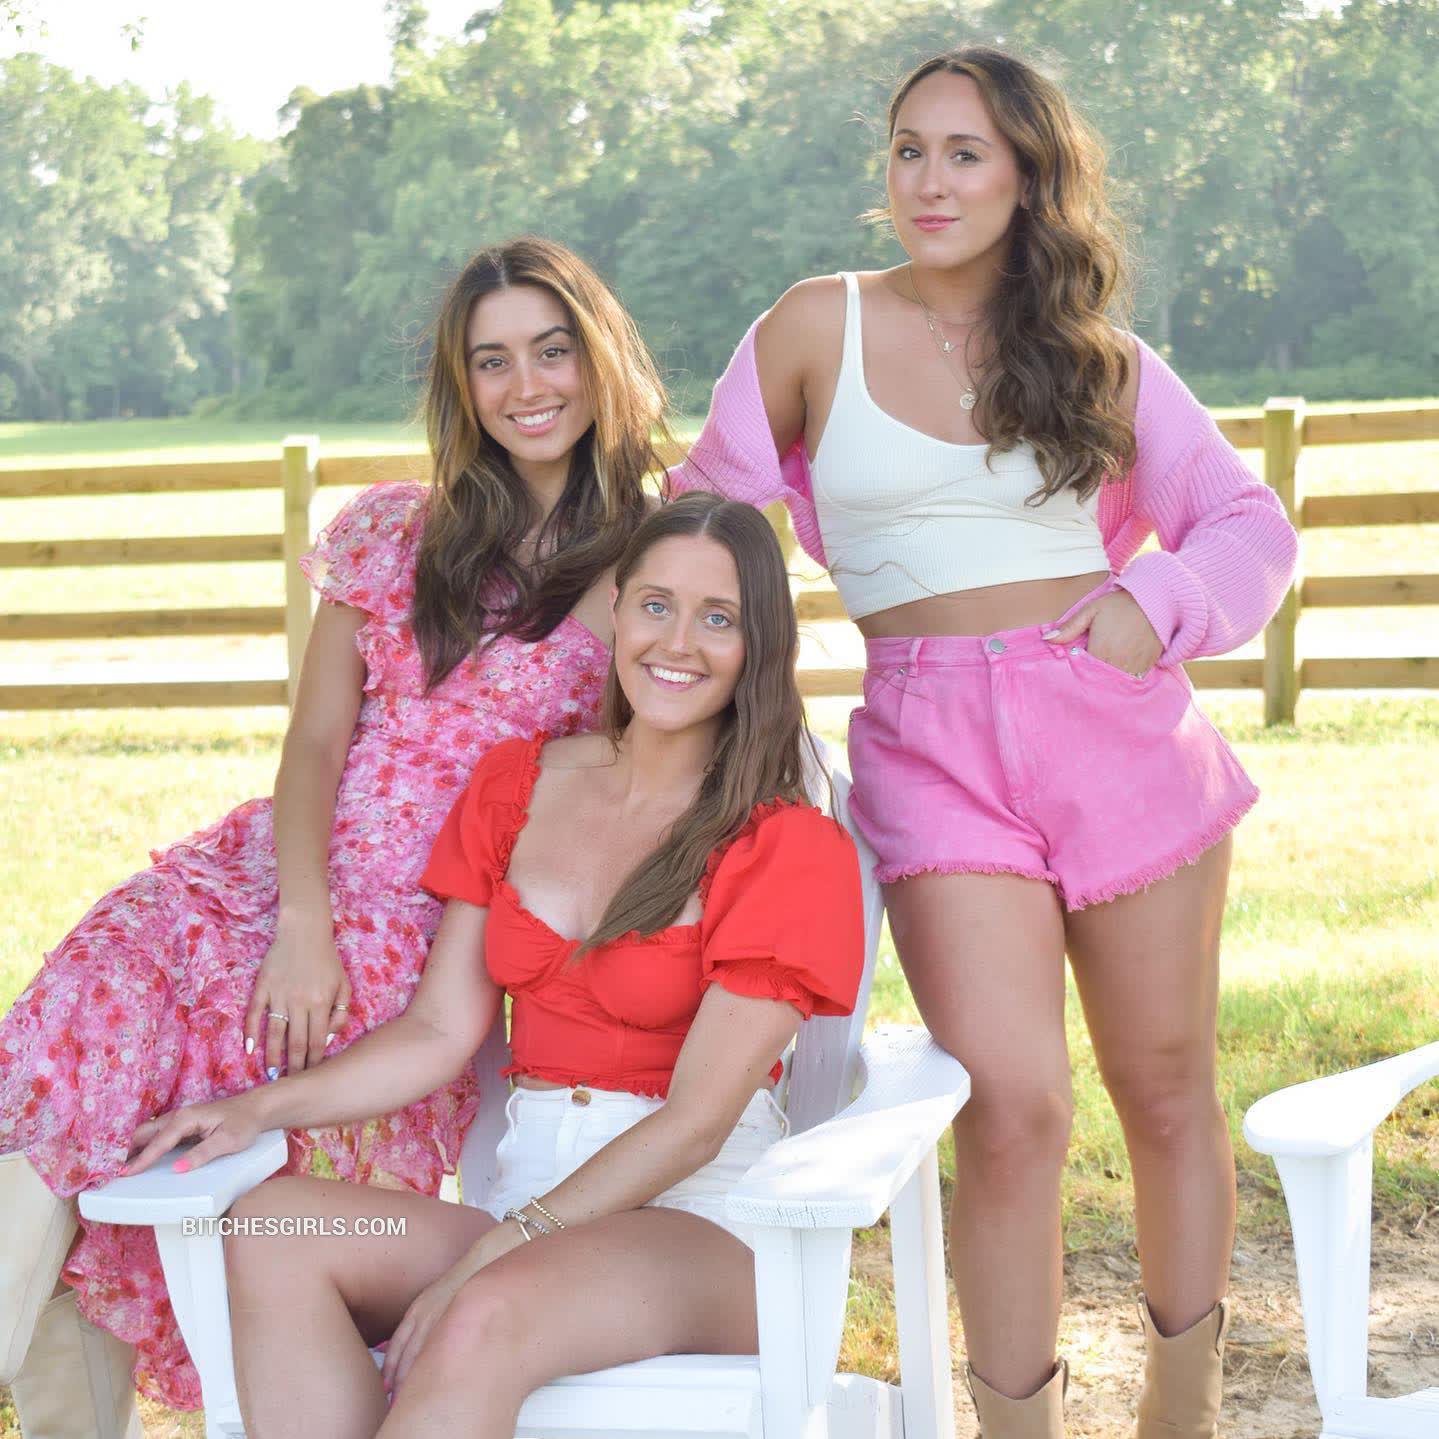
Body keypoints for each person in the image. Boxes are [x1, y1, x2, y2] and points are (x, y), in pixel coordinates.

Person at [670, 46, 1299, 1439]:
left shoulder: (1097, 357)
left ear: (1026, 176)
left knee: (1164, 1087)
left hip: (1116, 732)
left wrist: (1156, 603)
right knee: (1010, 1104)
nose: (929, 180)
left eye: (964, 152)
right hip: (929, 746)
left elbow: (1246, 524)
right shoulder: (812, 326)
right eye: (908, 149)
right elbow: (699, 517)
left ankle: (1181, 1413)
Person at [0, 234, 667, 1427]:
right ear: (461, 385)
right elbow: (314, 741)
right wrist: (299, 917)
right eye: (493, 360)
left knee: (145, 1132)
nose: (526, 386)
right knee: (59, 1077)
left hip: (424, 933)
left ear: (599, 358)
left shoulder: (646, 571)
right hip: (262, 881)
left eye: (552, 350)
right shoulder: (397, 530)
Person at [121, 492, 866, 1438]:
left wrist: (495, 1252)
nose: (677, 642)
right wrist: (257, 1109)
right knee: (272, 1232)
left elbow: (692, 1126)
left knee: (483, 1314)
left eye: (718, 618)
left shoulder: (784, 844)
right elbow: (438, 1030)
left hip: (702, 1232)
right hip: (528, 1216)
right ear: (615, 610)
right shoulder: (519, 785)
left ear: (759, 644)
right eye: (656, 605)